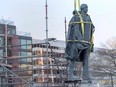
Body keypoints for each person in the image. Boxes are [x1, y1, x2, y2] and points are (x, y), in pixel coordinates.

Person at [65, 4, 95, 81]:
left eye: (87, 7)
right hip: (78, 42)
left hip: (87, 42)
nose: (87, 9)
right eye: (85, 7)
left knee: (86, 59)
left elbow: (92, 26)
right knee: (73, 58)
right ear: (82, 8)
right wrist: (81, 39)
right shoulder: (76, 17)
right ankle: (70, 75)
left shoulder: (88, 17)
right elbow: (76, 29)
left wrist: (93, 29)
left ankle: (85, 75)